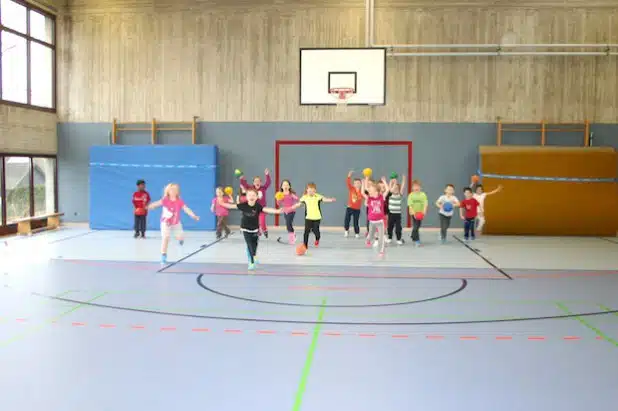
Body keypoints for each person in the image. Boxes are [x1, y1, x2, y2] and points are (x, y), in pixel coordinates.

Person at [218, 188, 282, 270]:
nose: (251, 197)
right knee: (249, 244)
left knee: (255, 244)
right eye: (249, 195)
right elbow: (232, 206)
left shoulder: (258, 206)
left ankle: (253, 256)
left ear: (256, 197)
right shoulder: (243, 205)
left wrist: (277, 211)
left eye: (253, 195)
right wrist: (222, 204)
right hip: (245, 229)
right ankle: (251, 262)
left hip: (255, 229)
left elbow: (266, 209)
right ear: (247, 197)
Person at [148, 183, 199, 264]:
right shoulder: (165, 200)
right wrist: (150, 206)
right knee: (165, 238)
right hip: (166, 222)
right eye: (172, 189)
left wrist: (193, 215)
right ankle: (163, 256)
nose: (173, 191)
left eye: (175, 189)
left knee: (179, 237)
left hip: (176, 223)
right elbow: (157, 203)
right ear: (168, 191)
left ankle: (180, 240)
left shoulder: (179, 201)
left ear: (177, 191)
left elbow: (186, 209)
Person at [287, 183, 336, 254]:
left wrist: (331, 200)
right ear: (307, 190)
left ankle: (317, 238)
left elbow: (324, 199)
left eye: (312, 191)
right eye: (309, 191)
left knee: (316, 230)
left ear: (315, 191)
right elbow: (299, 204)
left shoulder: (318, 196)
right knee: (306, 232)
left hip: (317, 217)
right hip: (308, 218)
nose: (311, 192)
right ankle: (305, 245)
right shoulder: (305, 197)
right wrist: (292, 207)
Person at [239, 169, 271, 237]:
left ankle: (264, 230)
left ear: (260, 182)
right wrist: (242, 179)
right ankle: (257, 231)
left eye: (259, 181)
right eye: (255, 181)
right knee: (255, 221)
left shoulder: (263, 188)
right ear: (253, 183)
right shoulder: (251, 188)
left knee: (262, 221)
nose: (257, 182)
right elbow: (244, 184)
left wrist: (267, 175)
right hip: (254, 208)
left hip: (262, 208)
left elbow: (268, 182)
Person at [362, 177, 389, 257]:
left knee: (381, 237)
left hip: (380, 222)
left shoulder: (381, 197)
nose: (369, 192)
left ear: (377, 191)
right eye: (369, 191)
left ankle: (381, 251)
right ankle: (368, 240)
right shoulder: (369, 198)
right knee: (370, 235)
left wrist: (384, 181)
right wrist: (364, 182)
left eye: (371, 191)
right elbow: (364, 192)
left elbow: (387, 190)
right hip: (372, 222)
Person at [276, 179, 299, 244]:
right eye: (284, 185)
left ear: (289, 187)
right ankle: (293, 234)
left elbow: (297, 199)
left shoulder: (291, 194)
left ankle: (292, 238)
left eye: (287, 185)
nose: (285, 186)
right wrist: (278, 199)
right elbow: (279, 203)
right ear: (282, 187)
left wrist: (295, 197)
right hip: (285, 211)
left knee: (288, 224)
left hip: (292, 210)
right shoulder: (281, 194)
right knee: (288, 225)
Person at [407, 180, 428, 247]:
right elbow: (410, 206)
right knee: (416, 227)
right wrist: (414, 214)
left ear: (420, 187)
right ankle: (417, 241)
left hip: (420, 214)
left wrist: (424, 212)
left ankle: (413, 235)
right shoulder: (410, 195)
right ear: (412, 188)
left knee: (417, 226)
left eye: (418, 186)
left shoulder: (423, 195)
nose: (416, 188)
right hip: (414, 213)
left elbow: (425, 204)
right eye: (414, 186)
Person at [386, 175, 406, 245]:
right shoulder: (390, 195)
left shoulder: (399, 195)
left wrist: (403, 180)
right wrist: (392, 182)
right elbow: (390, 188)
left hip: (397, 215)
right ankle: (389, 238)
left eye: (397, 188)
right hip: (391, 214)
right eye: (394, 188)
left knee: (398, 228)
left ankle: (398, 239)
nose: (395, 189)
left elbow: (402, 187)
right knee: (390, 227)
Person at [343, 170, 363, 238]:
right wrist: (349, 176)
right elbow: (348, 183)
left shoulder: (361, 191)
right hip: (349, 208)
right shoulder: (352, 189)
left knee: (356, 222)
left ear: (361, 184)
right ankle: (346, 230)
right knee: (347, 220)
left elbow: (361, 197)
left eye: (358, 183)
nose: (357, 184)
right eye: (355, 183)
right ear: (354, 184)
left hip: (357, 209)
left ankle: (357, 233)